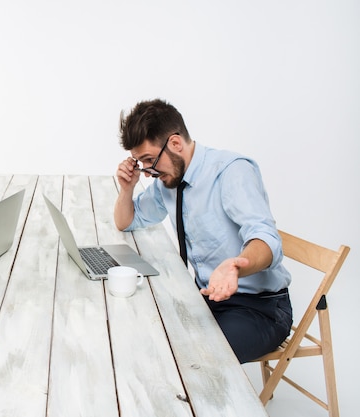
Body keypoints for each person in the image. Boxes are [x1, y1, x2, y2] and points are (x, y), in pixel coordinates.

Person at [114, 99, 292, 363]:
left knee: (197, 360)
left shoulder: (230, 171)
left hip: (259, 308)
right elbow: (126, 221)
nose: (149, 173)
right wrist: (127, 188)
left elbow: (267, 241)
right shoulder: (169, 181)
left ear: (175, 144)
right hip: (208, 299)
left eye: (150, 160)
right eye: (142, 163)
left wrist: (235, 267)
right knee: (143, 333)